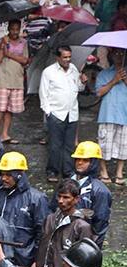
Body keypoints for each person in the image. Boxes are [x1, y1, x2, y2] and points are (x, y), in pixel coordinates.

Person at [39, 46, 86, 182]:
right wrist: (48, 112)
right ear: (58, 58)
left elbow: (79, 89)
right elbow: (43, 94)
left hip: (72, 113)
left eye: (69, 57)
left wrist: (83, 82)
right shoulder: (49, 72)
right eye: (65, 57)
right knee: (55, 145)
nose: (67, 60)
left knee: (69, 145)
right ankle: (52, 171)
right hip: (56, 113)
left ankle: (68, 171)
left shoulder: (73, 70)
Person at [0, 151, 48, 266]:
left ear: (19, 174)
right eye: (2, 174)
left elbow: (42, 234)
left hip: (24, 259)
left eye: (8, 175)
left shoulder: (36, 199)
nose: (4, 178)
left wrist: (37, 260)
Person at [63, 141, 111, 245]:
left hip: (83, 242)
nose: (80, 163)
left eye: (85, 160)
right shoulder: (66, 182)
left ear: (93, 163)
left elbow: (100, 224)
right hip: (62, 238)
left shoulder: (100, 191)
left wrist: (91, 249)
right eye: (78, 159)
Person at [38, 180, 94, 267]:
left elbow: (85, 259)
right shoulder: (50, 219)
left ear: (76, 199)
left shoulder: (82, 227)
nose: (60, 201)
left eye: (66, 197)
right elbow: (42, 244)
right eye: (59, 196)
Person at [0, 20, 29, 143]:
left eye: (16, 29)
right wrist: (3, 47)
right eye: (12, 29)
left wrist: (9, 54)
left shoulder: (23, 43)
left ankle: (5, 134)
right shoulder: (0, 42)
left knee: (10, 110)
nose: (14, 32)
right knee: (0, 109)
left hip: (17, 80)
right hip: (2, 80)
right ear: (8, 28)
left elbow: (25, 60)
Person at [94, 48, 127, 185]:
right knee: (103, 145)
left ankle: (119, 173)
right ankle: (104, 172)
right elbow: (99, 93)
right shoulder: (104, 73)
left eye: (121, 53)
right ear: (111, 56)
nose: (118, 56)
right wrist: (115, 80)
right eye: (116, 53)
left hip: (124, 115)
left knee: (123, 146)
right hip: (107, 114)